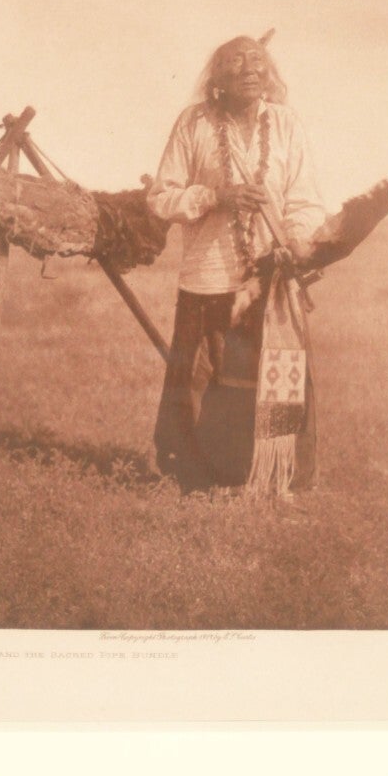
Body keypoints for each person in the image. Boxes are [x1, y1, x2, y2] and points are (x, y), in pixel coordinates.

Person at [147, 32, 325, 496]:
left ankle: (276, 479)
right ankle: (194, 483)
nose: (250, 68)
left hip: (272, 280)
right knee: (203, 383)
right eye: (237, 61)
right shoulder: (195, 123)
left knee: (271, 382)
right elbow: (162, 197)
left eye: (258, 60)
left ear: (270, 74)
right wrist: (215, 197)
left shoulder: (286, 124)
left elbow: (305, 201)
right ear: (217, 78)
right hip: (208, 279)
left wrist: (299, 243)